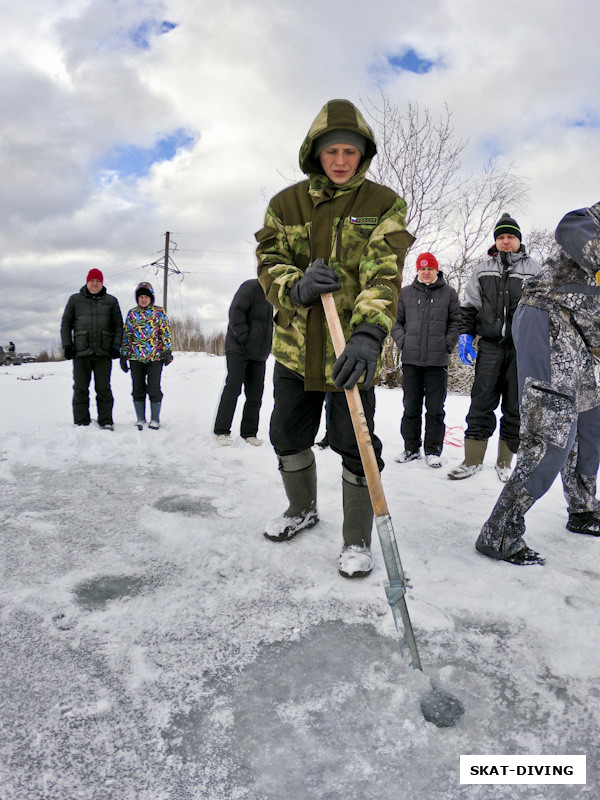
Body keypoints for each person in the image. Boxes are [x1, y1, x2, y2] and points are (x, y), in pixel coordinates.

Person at [256, 98, 414, 578]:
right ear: (314, 154)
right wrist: (295, 286)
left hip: (352, 354)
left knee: (356, 443)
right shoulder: (286, 204)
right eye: (332, 152)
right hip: (296, 350)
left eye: (350, 151)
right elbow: (268, 262)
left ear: (362, 153)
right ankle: (302, 509)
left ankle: (356, 539)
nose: (341, 161)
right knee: (286, 435)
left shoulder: (383, 203)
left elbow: (384, 272)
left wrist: (369, 333)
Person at [475, 201, 600, 565]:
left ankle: (584, 509)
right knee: (553, 433)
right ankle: (499, 531)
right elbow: (573, 225)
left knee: (590, 425)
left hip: (581, 339)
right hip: (547, 317)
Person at [448, 213, 542, 482]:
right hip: (489, 347)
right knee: (481, 402)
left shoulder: (534, 270)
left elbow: (543, 310)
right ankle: (472, 460)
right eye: (501, 237)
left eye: (510, 236)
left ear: (519, 240)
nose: (505, 241)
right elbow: (469, 307)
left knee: (515, 406)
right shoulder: (481, 269)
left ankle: (504, 462)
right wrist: (466, 336)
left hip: (521, 349)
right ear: (495, 241)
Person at [391, 252, 460, 468]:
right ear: (417, 271)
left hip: (437, 363)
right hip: (411, 361)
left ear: (436, 270)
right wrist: (404, 342)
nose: (426, 272)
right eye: (422, 269)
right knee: (410, 407)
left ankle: (433, 450)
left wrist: (446, 345)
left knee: (435, 409)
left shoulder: (449, 293)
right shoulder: (405, 293)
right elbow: (396, 322)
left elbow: (456, 322)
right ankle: (411, 448)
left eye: (430, 268)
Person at [60, 268, 123, 429]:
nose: (95, 284)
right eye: (92, 281)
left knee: (103, 388)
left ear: (102, 283)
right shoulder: (74, 300)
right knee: (80, 388)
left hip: (104, 352)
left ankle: (106, 421)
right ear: (87, 282)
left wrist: (116, 346)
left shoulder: (111, 301)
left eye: (98, 281)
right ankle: (81, 422)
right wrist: (67, 346)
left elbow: (118, 326)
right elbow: (66, 324)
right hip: (81, 352)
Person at [213, 278, 273, 446]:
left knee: (256, 393)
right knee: (233, 387)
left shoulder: (275, 294)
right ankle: (222, 431)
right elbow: (235, 312)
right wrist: (245, 337)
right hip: (238, 348)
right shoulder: (251, 287)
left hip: (259, 353)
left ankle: (249, 433)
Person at [120, 281, 173, 430]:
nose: (143, 299)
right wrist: (124, 355)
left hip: (155, 358)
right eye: (141, 296)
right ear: (137, 298)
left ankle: (155, 419)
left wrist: (167, 351)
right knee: (138, 388)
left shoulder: (159, 312)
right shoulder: (132, 313)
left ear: (151, 298)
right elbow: (127, 335)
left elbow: (165, 332)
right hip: (136, 358)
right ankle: (140, 418)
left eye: (146, 296)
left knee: (154, 388)